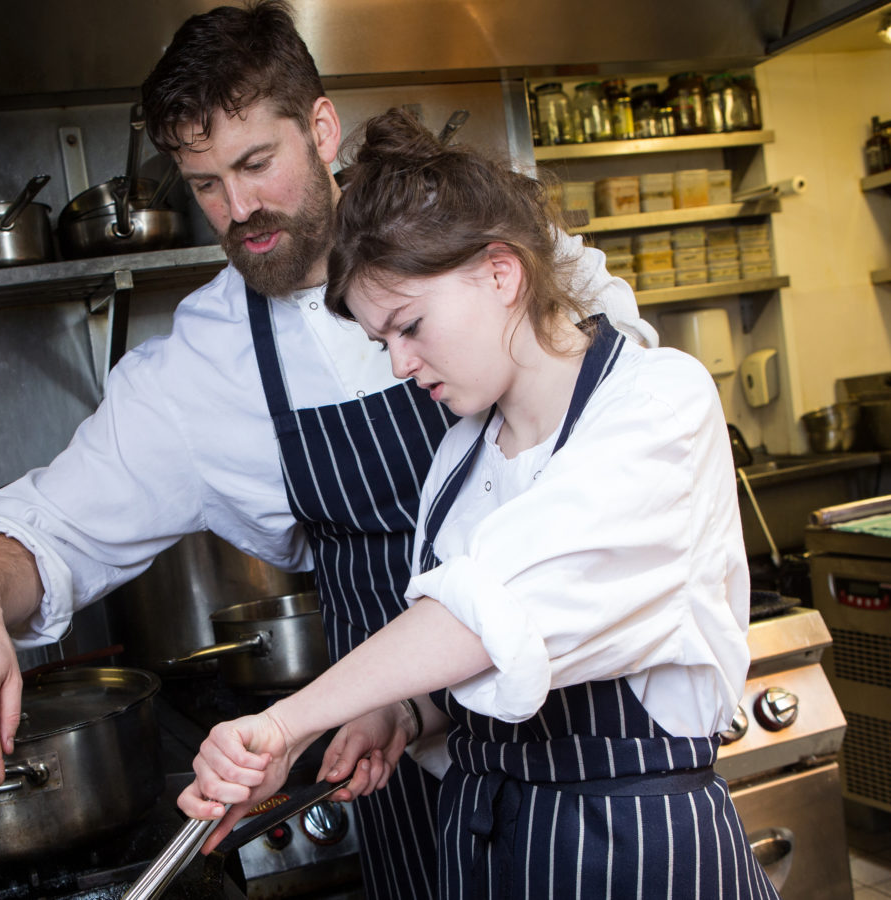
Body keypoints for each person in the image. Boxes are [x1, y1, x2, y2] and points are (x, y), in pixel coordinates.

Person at [0, 3, 653, 896]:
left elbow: (629, 443)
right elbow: (45, 524)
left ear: (320, 127)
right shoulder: (202, 367)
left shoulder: (474, 253)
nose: (238, 210)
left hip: (586, 747)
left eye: (255, 165)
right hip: (399, 762)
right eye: (205, 185)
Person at [179, 108, 777, 900]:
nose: (398, 365)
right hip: (490, 842)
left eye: (411, 326)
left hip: (631, 850)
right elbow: (505, 673)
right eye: (381, 341)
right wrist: (406, 717)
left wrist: (289, 723)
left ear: (500, 272)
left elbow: (488, 612)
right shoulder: (464, 450)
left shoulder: (658, 403)